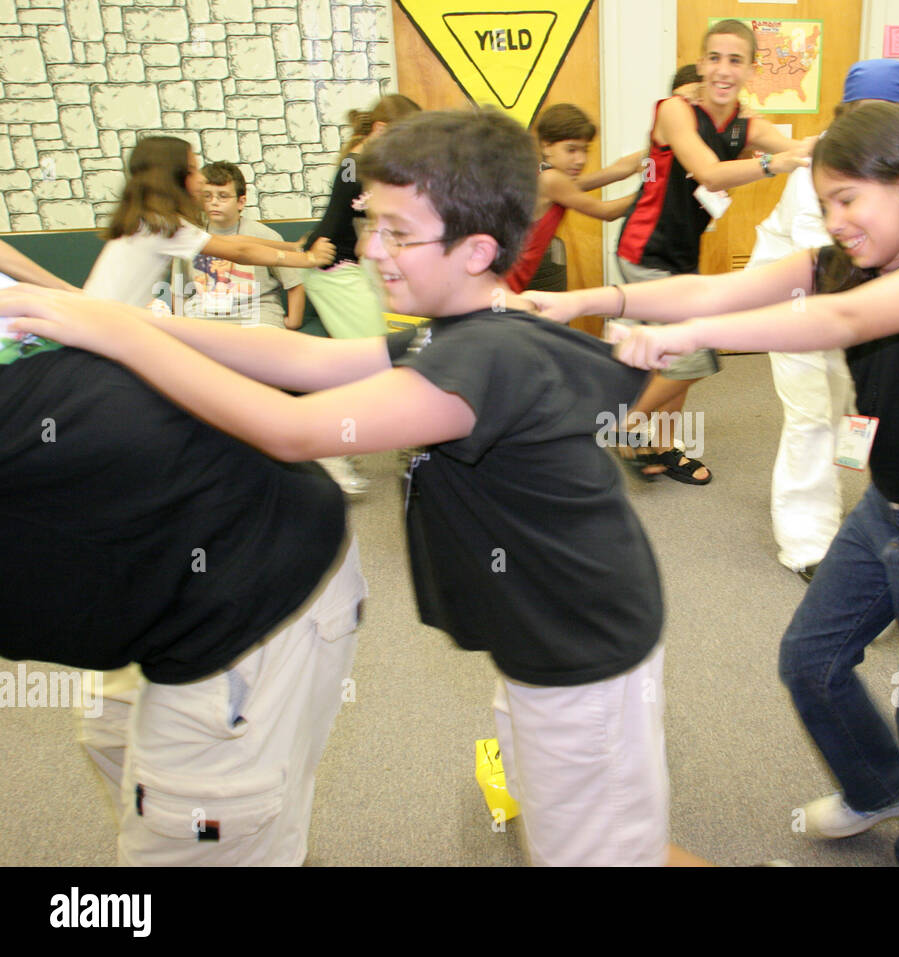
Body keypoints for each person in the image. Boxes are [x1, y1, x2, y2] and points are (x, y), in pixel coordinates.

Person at [1, 108, 684, 867]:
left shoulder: (486, 357)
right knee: (589, 828)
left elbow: (293, 429)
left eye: (397, 232)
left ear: (477, 250)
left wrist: (124, 334)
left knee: (597, 854)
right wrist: (116, 319)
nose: (369, 250)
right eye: (370, 225)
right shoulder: (457, 329)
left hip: (583, 650)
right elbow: (298, 359)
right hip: (547, 638)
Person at [530, 102, 899, 866]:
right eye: (825, 203)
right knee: (811, 661)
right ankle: (876, 783)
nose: (836, 219)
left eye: (847, 199)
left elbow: (845, 321)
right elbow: (712, 291)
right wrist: (591, 302)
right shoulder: (839, 257)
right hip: (886, 509)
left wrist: (691, 340)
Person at [0, 271, 363, 866]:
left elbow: (298, 411)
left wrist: (132, 328)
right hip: (150, 558)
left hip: (242, 579)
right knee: (111, 737)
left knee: (192, 822)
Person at [612, 18, 814, 484]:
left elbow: (802, 150)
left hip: (683, 257)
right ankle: (625, 428)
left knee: (676, 357)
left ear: (750, 69)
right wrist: (773, 164)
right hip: (644, 253)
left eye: (736, 60)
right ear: (702, 64)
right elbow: (711, 174)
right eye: (716, 58)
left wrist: (843, 144)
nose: (724, 69)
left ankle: (662, 447)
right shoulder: (675, 111)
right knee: (693, 354)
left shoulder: (747, 126)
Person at [749, 58, 899, 583]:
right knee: (811, 412)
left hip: (859, 304)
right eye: (861, 112)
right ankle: (806, 542)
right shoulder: (822, 159)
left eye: (887, 114)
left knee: (853, 408)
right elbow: (820, 251)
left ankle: (849, 511)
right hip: (798, 296)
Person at [83, 136, 333, 310]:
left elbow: (232, 242)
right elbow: (239, 252)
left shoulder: (149, 219)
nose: (201, 179)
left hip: (106, 323)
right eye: (193, 169)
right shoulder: (161, 226)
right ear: (173, 178)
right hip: (110, 331)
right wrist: (308, 259)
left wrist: (291, 246)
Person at [300, 93, 421, 339]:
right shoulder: (353, 168)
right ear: (380, 130)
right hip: (332, 270)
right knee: (377, 345)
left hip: (343, 265)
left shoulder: (361, 166)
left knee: (386, 340)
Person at [503, 103, 644, 294]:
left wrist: (654, 149)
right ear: (547, 146)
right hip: (504, 286)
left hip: (509, 284)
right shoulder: (551, 180)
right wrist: (652, 192)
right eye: (571, 150)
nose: (581, 159)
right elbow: (606, 212)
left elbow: (617, 170)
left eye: (584, 150)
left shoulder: (549, 176)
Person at [182, 161, 307, 329]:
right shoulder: (190, 236)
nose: (214, 202)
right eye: (207, 196)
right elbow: (180, 290)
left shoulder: (265, 235)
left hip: (257, 314)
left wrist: (293, 322)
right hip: (205, 316)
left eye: (223, 196)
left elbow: (294, 284)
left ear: (241, 202)